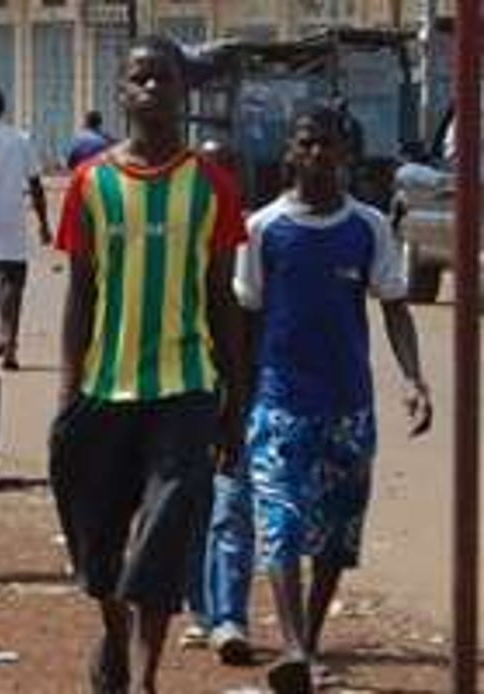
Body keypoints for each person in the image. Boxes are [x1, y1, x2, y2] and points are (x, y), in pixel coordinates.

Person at [50, 36, 247, 693]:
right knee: (98, 547)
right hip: (105, 389)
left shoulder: (212, 185)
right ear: (121, 92)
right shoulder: (89, 183)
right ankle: (112, 630)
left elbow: (223, 300)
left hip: (184, 389)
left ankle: (142, 679)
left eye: (164, 79)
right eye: (140, 79)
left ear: (182, 91)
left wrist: (235, 404)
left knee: (161, 539)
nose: (153, 90)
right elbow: (80, 293)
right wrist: (65, 392)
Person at [235, 104, 432, 692]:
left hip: (349, 407)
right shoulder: (262, 228)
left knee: (335, 536)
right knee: (282, 525)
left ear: (347, 155)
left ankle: (309, 643)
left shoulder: (367, 226)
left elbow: (394, 306)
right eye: (308, 143)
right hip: (278, 404)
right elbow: (245, 319)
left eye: (330, 145)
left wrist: (413, 379)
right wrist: (234, 401)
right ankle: (293, 645)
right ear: (292, 152)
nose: (319, 154)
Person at [178, 138, 256, 666]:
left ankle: (228, 616)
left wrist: (240, 393)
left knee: (229, 505)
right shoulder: (179, 238)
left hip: (233, 388)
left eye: (223, 172)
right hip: (180, 386)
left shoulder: (255, 239)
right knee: (188, 504)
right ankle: (199, 608)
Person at [0, 87, 50, 370]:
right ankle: (10, 343)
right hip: (12, 219)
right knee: (12, 282)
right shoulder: (20, 138)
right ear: (3, 109)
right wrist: (44, 224)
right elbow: (35, 184)